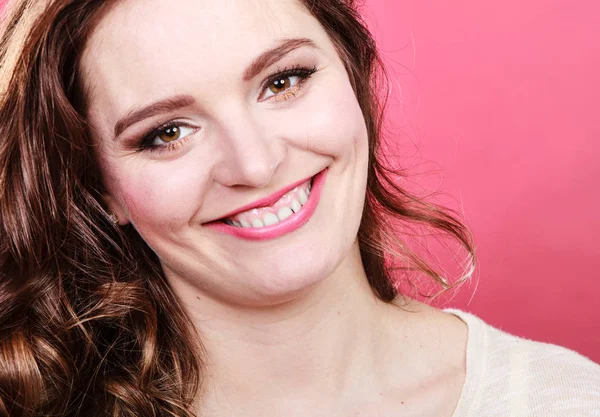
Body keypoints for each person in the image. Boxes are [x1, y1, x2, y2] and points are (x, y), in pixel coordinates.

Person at [0, 0, 598, 416]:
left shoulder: (564, 402)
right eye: (168, 132)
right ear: (101, 189)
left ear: (354, 76)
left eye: (283, 81)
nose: (255, 166)